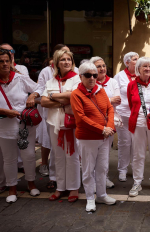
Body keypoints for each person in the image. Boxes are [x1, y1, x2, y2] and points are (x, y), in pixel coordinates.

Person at [71, 61, 117, 212]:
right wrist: (102, 129)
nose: (92, 78)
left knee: (102, 168)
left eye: (94, 75)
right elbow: (81, 118)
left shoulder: (101, 90)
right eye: (88, 75)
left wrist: (109, 127)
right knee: (88, 169)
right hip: (87, 138)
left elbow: (110, 109)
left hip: (104, 137)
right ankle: (90, 198)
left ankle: (102, 195)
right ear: (80, 76)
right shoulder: (76, 94)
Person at [0, 47, 41, 202]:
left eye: (7, 61)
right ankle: (12, 188)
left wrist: (33, 96)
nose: (4, 64)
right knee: (9, 159)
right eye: (0, 61)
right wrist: (1, 110)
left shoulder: (20, 78)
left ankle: (31, 184)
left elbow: (39, 88)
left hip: (25, 126)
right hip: (4, 127)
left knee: (29, 156)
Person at [41, 49, 81, 202]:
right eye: (63, 59)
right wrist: (61, 100)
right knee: (58, 156)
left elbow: (73, 96)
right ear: (57, 62)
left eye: (69, 59)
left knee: (72, 156)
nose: (66, 62)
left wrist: (52, 97)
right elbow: (43, 102)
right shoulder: (51, 81)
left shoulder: (77, 79)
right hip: (54, 124)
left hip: (71, 125)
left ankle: (74, 188)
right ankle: (60, 187)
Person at [127, 57, 150, 197]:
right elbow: (131, 103)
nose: (147, 69)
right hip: (138, 123)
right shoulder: (131, 85)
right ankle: (137, 182)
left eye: (149, 66)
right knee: (138, 154)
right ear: (138, 69)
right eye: (144, 66)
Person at [91, 56, 121, 189]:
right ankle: (91, 179)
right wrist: (109, 100)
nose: (102, 68)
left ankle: (104, 178)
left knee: (105, 152)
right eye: (99, 66)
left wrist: (102, 101)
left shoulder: (113, 82)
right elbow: (90, 102)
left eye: (103, 66)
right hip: (93, 122)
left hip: (109, 121)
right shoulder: (89, 82)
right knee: (92, 152)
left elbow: (118, 100)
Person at [114, 52, 139, 182]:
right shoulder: (119, 77)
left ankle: (136, 169)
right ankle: (122, 169)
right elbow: (115, 93)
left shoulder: (142, 75)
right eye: (135, 59)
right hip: (123, 113)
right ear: (127, 62)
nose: (138, 61)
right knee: (125, 142)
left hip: (139, 115)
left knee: (137, 143)